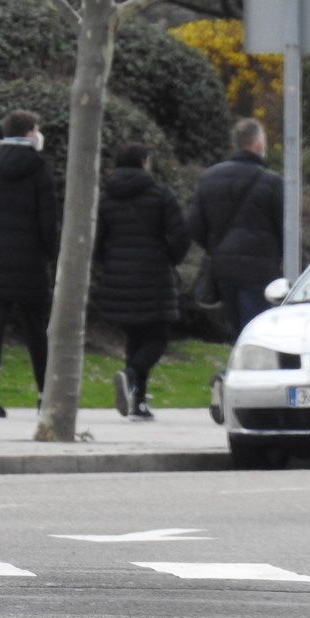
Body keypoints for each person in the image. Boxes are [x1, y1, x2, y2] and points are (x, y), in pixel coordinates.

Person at [94, 143, 191, 421]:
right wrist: (170, 259)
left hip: (118, 278)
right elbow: (180, 236)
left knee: (135, 338)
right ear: (144, 162)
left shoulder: (107, 198)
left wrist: (110, 264)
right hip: (154, 276)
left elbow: (98, 241)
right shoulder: (162, 195)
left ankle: (137, 401)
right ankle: (131, 376)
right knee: (158, 338)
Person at [0, 108, 57, 418]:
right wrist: (52, 256)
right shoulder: (38, 170)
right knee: (35, 327)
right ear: (30, 133)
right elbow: (48, 223)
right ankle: (46, 394)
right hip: (29, 263)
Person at [186, 118, 283, 339]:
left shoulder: (208, 178)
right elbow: (285, 228)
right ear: (259, 144)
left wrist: (216, 246)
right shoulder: (273, 182)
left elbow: (192, 224)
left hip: (223, 269)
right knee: (255, 332)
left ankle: (237, 368)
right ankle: (249, 372)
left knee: (236, 330)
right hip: (260, 270)